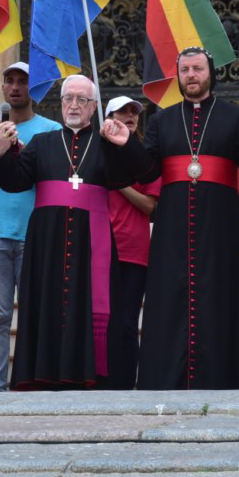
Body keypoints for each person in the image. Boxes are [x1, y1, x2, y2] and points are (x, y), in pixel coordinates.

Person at [0, 75, 152, 389]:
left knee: (91, 306)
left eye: (82, 100)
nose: (74, 105)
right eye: (68, 99)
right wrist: (1, 153)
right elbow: (14, 182)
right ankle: (44, 375)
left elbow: (141, 170)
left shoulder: (106, 143)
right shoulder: (43, 142)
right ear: (60, 103)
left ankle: (94, 376)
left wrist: (125, 143)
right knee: (46, 303)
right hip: (47, 242)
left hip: (92, 242)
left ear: (94, 107)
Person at [137, 46, 239, 390]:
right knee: (169, 300)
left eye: (197, 68)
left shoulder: (235, 116)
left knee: (221, 298)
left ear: (210, 72)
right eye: (185, 70)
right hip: (172, 227)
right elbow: (146, 169)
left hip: (221, 226)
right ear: (178, 75)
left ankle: (223, 379)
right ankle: (167, 380)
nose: (191, 76)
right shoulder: (161, 120)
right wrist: (125, 145)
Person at [0, 62, 60, 392]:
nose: (16, 86)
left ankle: (31, 384)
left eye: (23, 81)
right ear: (3, 88)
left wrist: (19, 158)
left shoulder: (51, 130)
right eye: (10, 81)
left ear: (33, 89)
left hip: (34, 235)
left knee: (36, 316)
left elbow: (53, 178)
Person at [103, 95, 160, 389]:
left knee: (126, 324)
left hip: (134, 253)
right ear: (108, 116)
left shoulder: (145, 157)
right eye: (122, 112)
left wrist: (121, 184)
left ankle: (126, 386)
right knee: (102, 323)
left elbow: (150, 205)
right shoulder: (97, 150)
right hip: (99, 251)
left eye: (133, 113)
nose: (129, 116)